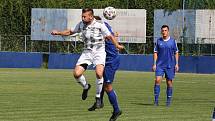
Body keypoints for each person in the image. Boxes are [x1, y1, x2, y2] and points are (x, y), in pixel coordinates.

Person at [51, 8, 123, 108]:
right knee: (76, 74)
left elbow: (110, 36)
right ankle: (86, 87)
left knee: (99, 73)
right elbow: (70, 32)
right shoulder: (81, 25)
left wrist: (117, 45)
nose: (83, 18)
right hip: (87, 53)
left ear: (91, 16)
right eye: (82, 16)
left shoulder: (99, 25)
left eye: (84, 16)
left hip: (99, 53)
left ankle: (98, 98)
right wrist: (58, 33)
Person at [87, 16, 122, 121]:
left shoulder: (100, 27)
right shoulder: (103, 26)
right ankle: (99, 101)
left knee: (107, 87)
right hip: (104, 58)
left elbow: (107, 36)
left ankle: (116, 110)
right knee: (99, 78)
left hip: (111, 60)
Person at [152, 25, 179, 106]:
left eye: (165, 30)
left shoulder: (173, 41)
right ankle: (156, 101)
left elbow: (176, 52)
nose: (164, 32)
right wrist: (154, 64)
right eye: (163, 30)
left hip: (170, 65)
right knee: (157, 80)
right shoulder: (158, 41)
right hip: (160, 65)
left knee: (169, 82)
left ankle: (168, 101)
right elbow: (155, 52)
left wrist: (177, 64)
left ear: (168, 31)